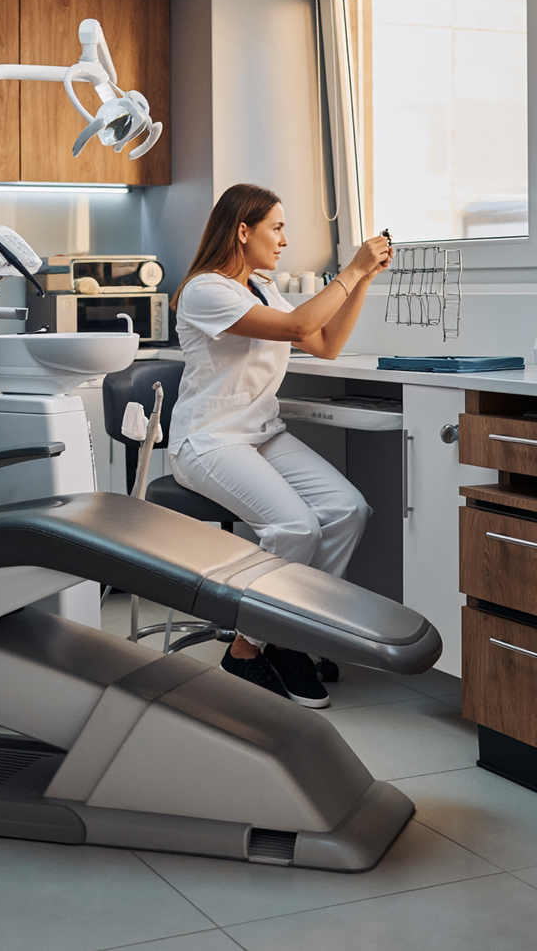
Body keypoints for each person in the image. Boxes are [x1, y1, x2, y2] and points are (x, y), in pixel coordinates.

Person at [167, 183, 393, 707]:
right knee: (295, 527)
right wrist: (352, 269)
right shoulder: (206, 290)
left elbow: (326, 344)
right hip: (210, 441)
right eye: (277, 227)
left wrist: (363, 280)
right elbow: (298, 325)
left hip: (262, 435)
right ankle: (247, 650)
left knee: (346, 509)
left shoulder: (263, 289)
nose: (285, 240)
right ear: (242, 231)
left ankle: (290, 635)